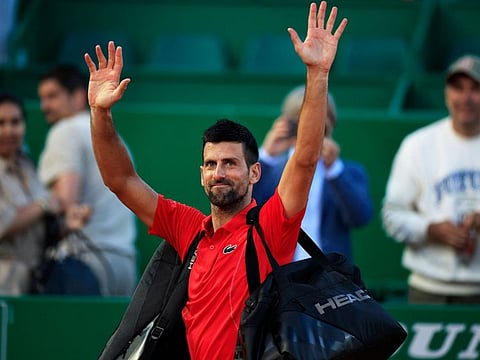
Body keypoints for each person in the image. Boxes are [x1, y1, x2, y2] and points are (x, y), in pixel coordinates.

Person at [84, 2, 346, 358]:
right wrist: (100, 113)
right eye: (210, 164)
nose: (219, 172)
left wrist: (317, 73)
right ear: (201, 173)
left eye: (230, 163)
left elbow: (303, 160)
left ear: (255, 172)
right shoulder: (188, 228)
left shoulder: (270, 228)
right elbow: (120, 180)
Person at [382, 54, 480, 304]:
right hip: (429, 288)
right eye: (458, 88)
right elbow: (392, 215)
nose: (465, 98)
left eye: (474, 89)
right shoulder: (418, 144)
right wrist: (430, 229)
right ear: (447, 93)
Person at [36, 64, 138, 296]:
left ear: (79, 96)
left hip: (84, 264)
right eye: (42, 98)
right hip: (124, 265)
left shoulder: (65, 131)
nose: (45, 106)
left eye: (52, 96)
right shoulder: (114, 138)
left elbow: (64, 202)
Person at [253, 86, 373, 260]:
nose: (310, 129)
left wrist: (334, 170)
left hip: (330, 275)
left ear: (330, 124)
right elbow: (246, 212)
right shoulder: (270, 170)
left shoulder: (349, 172)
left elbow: (360, 218)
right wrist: (266, 156)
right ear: (288, 125)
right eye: (301, 122)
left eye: (318, 122)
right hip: (280, 273)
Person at [0, 92, 63, 294]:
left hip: (33, 282)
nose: (9, 130)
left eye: (15, 122)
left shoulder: (26, 165)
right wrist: (45, 205)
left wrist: (67, 225)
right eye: (1, 123)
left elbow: (36, 230)